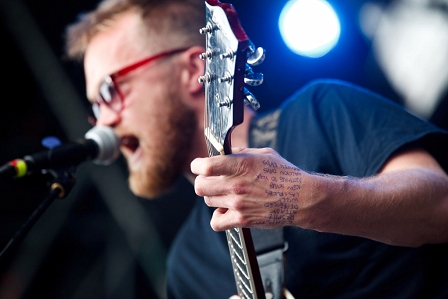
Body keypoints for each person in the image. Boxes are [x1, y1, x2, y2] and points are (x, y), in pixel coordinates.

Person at [64, 0, 448, 298]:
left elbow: (440, 206)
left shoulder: (321, 110)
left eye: (108, 92)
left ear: (193, 70)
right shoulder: (186, 268)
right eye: (95, 109)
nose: (102, 124)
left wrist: (305, 197)